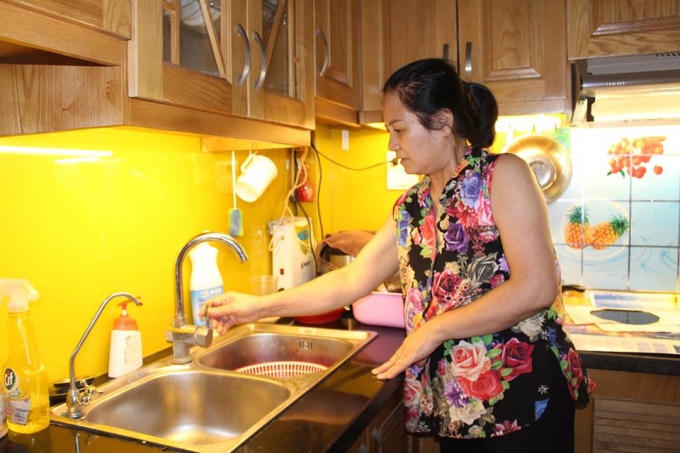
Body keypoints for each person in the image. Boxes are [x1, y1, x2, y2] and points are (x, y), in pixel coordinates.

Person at [201, 58, 594, 452]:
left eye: (399, 129)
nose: (391, 144)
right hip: (459, 409)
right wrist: (256, 307)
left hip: (525, 398)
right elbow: (351, 280)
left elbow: (536, 287)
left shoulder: (503, 174)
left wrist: (434, 329)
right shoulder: (412, 206)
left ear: (442, 122)